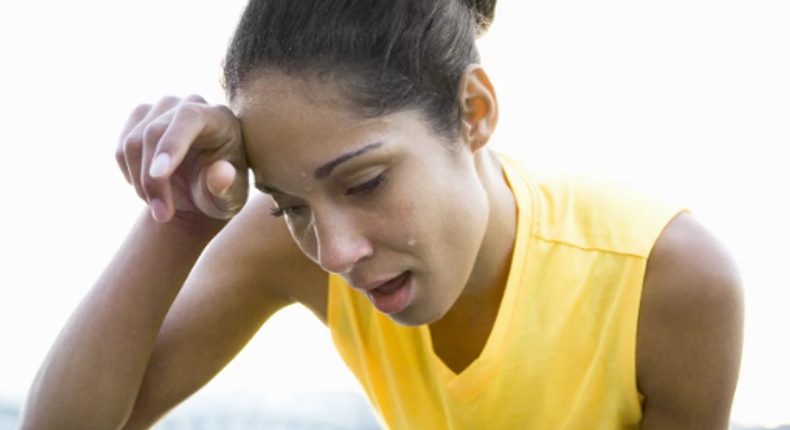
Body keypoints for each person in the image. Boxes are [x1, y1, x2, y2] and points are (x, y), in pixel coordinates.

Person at [19, 1, 744, 429]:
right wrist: (177, 221)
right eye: (290, 203)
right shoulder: (283, 248)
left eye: (364, 183)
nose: (333, 252)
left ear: (474, 112)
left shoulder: (671, 283)